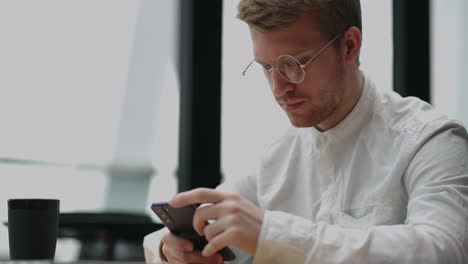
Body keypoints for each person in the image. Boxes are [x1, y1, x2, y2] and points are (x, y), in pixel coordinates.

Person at [143, 0, 468, 263]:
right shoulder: (275, 156)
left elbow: (443, 250)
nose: (278, 87)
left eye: (294, 63)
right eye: (267, 67)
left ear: (350, 46)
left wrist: (272, 234)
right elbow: (195, 230)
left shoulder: (431, 140)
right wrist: (171, 251)